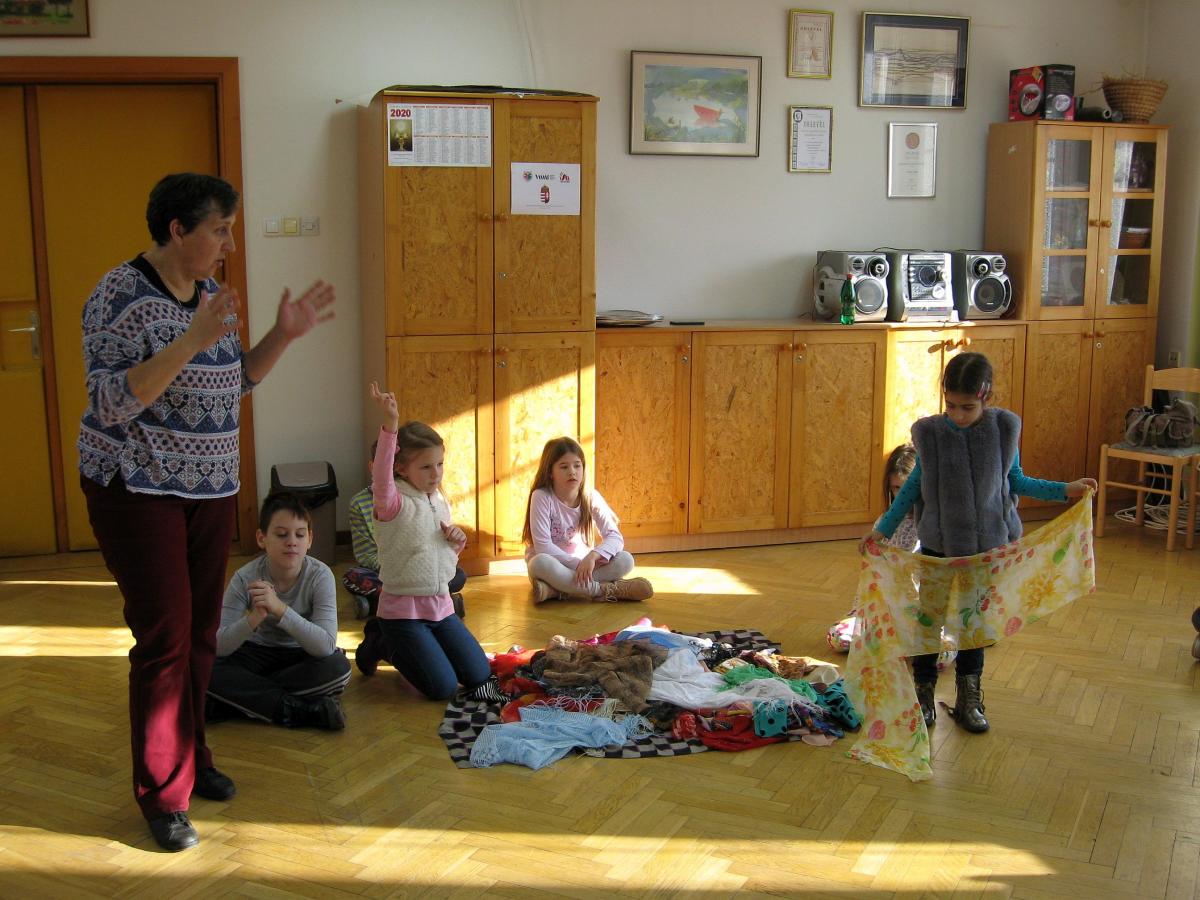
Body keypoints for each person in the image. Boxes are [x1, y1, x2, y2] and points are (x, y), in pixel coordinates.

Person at [78, 172, 335, 852]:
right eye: (219, 230)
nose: (228, 244)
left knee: (198, 634)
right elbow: (111, 400)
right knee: (165, 637)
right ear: (177, 230)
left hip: (209, 488)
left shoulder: (211, 296)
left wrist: (283, 334)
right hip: (136, 488)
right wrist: (189, 340)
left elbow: (234, 381)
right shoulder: (118, 295)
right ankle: (163, 796)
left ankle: (192, 758)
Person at [859, 352, 1095, 734]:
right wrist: (882, 531)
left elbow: (1016, 480)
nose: (957, 414)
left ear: (987, 397)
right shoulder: (931, 435)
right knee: (929, 619)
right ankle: (923, 692)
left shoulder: (1003, 432)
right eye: (950, 405)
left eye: (967, 407)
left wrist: (1065, 490)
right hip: (938, 547)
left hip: (985, 549)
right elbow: (912, 488)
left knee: (974, 623)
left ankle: (969, 695)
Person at [352, 383, 504, 704]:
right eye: (425, 466)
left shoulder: (438, 499)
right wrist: (391, 424)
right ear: (400, 468)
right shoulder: (391, 501)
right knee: (441, 688)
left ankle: (425, 648)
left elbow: (435, 552)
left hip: (440, 607)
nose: (436, 474)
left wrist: (455, 542)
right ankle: (380, 642)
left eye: (439, 464)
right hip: (402, 615)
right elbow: (381, 473)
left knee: (479, 675)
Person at [207, 492, 352, 730]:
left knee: (338, 669)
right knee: (202, 666)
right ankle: (296, 710)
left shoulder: (320, 575)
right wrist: (254, 619)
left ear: (310, 539)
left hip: (300, 655)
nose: (292, 542)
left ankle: (238, 701)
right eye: (282, 534)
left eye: (300, 534)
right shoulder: (245, 576)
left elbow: (325, 646)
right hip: (255, 654)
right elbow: (218, 645)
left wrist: (280, 609)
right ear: (262, 538)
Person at [344, 439, 466, 620]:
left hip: (422, 572)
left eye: (439, 464)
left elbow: (440, 545)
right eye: (388, 467)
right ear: (374, 467)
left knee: (459, 575)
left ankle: (379, 603)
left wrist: (454, 540)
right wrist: (395, 566)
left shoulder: (430, 499)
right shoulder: (359, 503)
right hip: (387, 573)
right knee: (353, 576)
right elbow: (365, 554)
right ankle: (399, 600)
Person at [522, 437, 653, 603]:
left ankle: (557, 590)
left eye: (577, 465)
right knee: (539, 563)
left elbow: (615, 537)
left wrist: (592, 557)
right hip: (554, 564)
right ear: (550, 472)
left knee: (626, 560)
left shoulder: (591, 496)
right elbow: (543, 547)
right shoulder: (541, 496)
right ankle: (603, 590)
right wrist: (578, 565)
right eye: (564, 467)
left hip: (585, 566)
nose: (572, 471)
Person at [827, 444, 918, 653]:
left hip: (917, 614)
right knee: (838, 637)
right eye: (896, 488)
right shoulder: (882, 525)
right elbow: (871, 578)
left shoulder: (929, 526)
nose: (902, 496)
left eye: (908, 489)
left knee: (939, 653)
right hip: (881, 613)